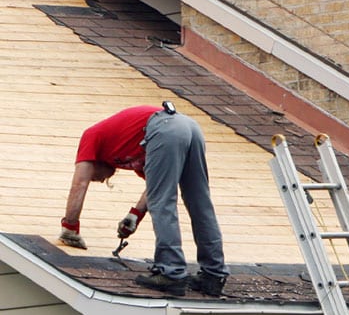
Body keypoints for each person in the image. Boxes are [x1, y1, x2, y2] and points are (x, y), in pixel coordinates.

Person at [59, 103, 229, 297]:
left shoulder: (92, 136)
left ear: (94, 162)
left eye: (94, 177)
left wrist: (70, 227)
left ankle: (170, 271)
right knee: (200, 202)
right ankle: (213, 275)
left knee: (163, 203)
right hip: (188, 127)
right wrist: (135, 215)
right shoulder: (128, 149)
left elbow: (79, 184)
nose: (97, 180)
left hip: (164, 127)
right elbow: (153, 187)